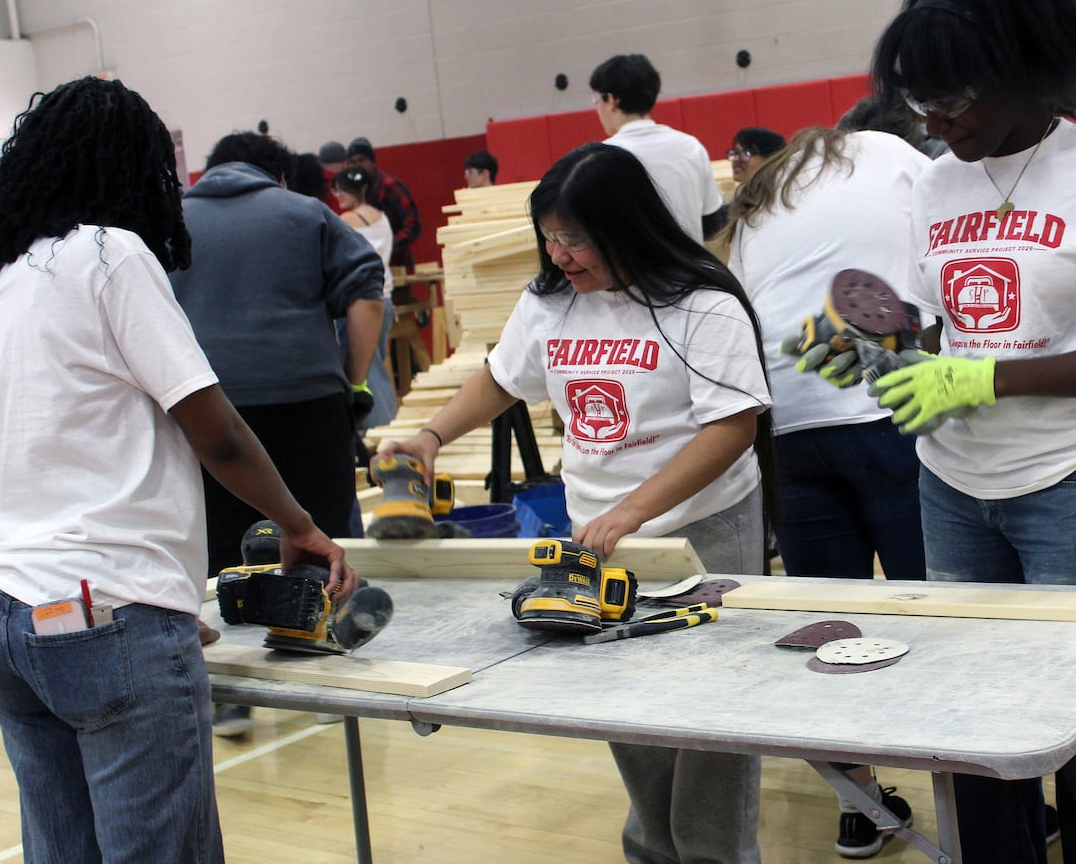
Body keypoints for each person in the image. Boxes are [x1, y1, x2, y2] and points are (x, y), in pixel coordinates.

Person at [798, 0, 1076, 863]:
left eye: (956, 102)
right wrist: (891, 359)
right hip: (950, 485)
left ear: (1027, 72)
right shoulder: (934, 182)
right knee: (974, 710)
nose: (939, 123)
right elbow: (936, 329)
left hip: (1071, 485)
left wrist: (991, 379)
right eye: (924, 107)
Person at [0, 75, 358, 863]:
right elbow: (218, 434)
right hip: (104, 615)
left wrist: (159, 609)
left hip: (8, 614)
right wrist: (301, 524)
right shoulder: (109, 254)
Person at [378, 142, 773, 864]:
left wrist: (634, 510)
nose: (560, 254)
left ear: (627, 226)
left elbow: (732, 427)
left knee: (710, 718)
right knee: (629, 708)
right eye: (550, 237)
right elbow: (501, 380)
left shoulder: (702, 304)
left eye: (576, 237)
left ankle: (713, 853)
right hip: (601, 539)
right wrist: (431, 434)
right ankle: (653, 849)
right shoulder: (551, 302)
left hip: (699, 530)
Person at [719, 124, 929, 859]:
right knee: (940, 610)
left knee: (832, 623)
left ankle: (859, 804)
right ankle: (986, 798)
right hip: (876, 407)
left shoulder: (765, 192)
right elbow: (932, 275)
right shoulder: (898, 155)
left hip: (783, 422)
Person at [172, 132, 384, 735]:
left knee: (219, 555)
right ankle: (325, 679)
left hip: (207, 406)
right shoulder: (306, 213)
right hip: (307, 403)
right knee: (321, 540)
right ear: (279, 177)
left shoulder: (167, 222)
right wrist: (355, 383)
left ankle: (228, 697)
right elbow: (367, 294)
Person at [590, 53, 728, 243]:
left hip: (635, 272)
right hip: (691, 269)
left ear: (611, 100)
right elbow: (713, 225)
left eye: (596, 100)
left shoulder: (599, 158)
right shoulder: (691, 147)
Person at [333, 163, 400, 432]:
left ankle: (380, 431)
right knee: (377, 367)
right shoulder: (381, 217)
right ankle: (386, 426)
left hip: (360, 305)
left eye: (340, 191)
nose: (338, 196)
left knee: (365, 375)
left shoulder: (345, 221)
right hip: (385, 300)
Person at [346, 136, 423, 273]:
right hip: (367, 267)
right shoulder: (349, 192)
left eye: (361, 160)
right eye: (352, 162)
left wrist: (386, 248)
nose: (357, 166)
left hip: (396, 265)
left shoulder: (391, 187)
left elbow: (413, 225)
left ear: (373, 162)